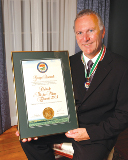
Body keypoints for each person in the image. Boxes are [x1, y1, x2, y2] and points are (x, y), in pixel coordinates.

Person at [16, 9, 128, 160]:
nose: (85, 38)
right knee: (29, 142)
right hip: (64, 125)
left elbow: (124, 116)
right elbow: (50, 97)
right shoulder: (66, 62)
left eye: (90, 31)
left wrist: (89, 133)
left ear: (102, 32)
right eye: (79, 33)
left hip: (96, 132)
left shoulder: (122, 67)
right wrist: (30, 126)